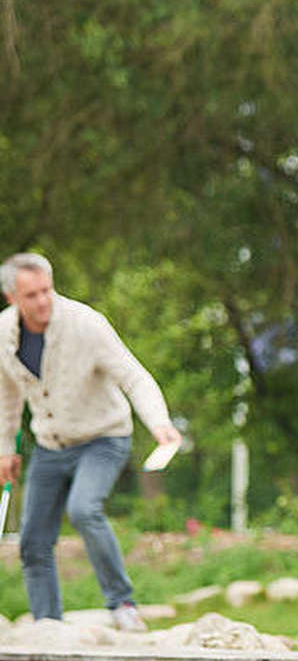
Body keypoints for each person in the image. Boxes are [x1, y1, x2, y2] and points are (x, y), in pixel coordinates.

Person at [0, 253, 181, 633]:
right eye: (31, 295)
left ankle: (123, 604)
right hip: (51, 445)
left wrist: (159, 424)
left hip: (104, 437)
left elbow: (134, 376)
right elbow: (7, 397)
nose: (43, 301)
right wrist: (6, 449)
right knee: (33, 541)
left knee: (84, 509)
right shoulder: (4, 334)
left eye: (47, 290)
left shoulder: (86, 324)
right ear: (11, 297)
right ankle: (48, 626)